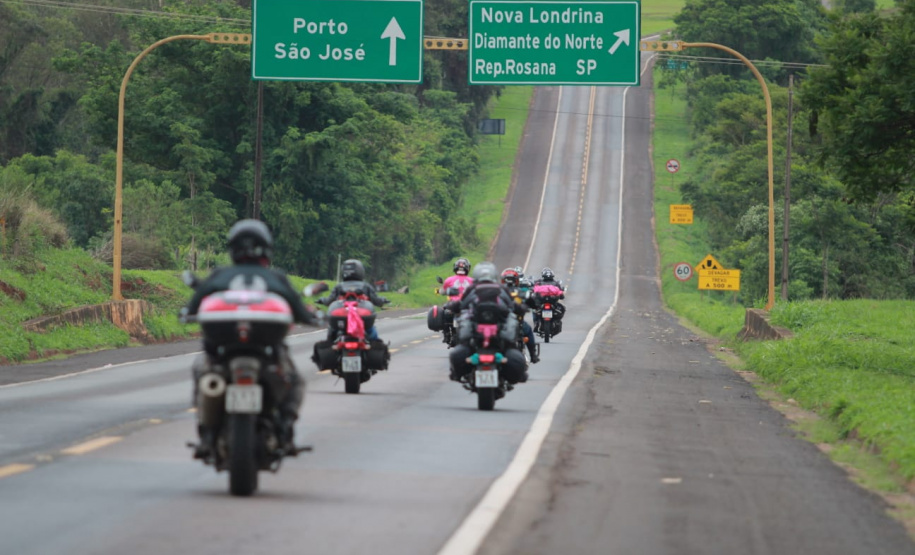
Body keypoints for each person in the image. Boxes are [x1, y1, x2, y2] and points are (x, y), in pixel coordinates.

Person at [183, 219, 320, 452]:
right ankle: (285, 428)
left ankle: (207, 434)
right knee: (294, 381)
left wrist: (186, 313)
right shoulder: (275, 277)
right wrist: (313, 317)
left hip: (223, 350)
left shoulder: (220, 275)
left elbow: (193, 305)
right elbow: (299, 309)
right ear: (267, 248)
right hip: (265, 350)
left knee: (201, 370)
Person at [445, 262, 528, 385]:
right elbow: (513, 306)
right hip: (495, 334)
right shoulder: (501, 289)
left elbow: (461, 304)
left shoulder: (471, 289)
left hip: (480, 334)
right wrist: (522, 308)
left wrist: (452, 306)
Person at [317, 258, 389, 342]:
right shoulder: (365, 286)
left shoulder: (339, 286)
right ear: (360, 271)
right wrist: (383, 300)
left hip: (341, 321)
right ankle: (376, 346)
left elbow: (329, 300)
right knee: (371, 330)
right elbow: (376, 300)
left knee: (332, 329)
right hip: (362, 318)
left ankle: (331, 345)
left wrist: (322, 300)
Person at [501, 268, 540, 364]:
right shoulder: (522, 292)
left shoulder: (498, 292)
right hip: (518, 324)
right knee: (529, 331)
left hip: (501, 324)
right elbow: (534, 304)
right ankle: (533, 355)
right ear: (517, 280)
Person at [437, 258, 475, 344]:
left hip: (452, 305)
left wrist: (441, 291)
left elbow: (443, 291)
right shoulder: (472, 281)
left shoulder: (449, 280)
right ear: (468, 268)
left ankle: (446, 334)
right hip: (468, 306)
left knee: (444, 312)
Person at [532, 267, 566, 333]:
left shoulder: (538, 282)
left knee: (534, 310)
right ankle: (537, 323)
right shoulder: (556, 283)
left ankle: (537, 323)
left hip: (549, 304)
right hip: (546, 304)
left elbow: (534, 292)